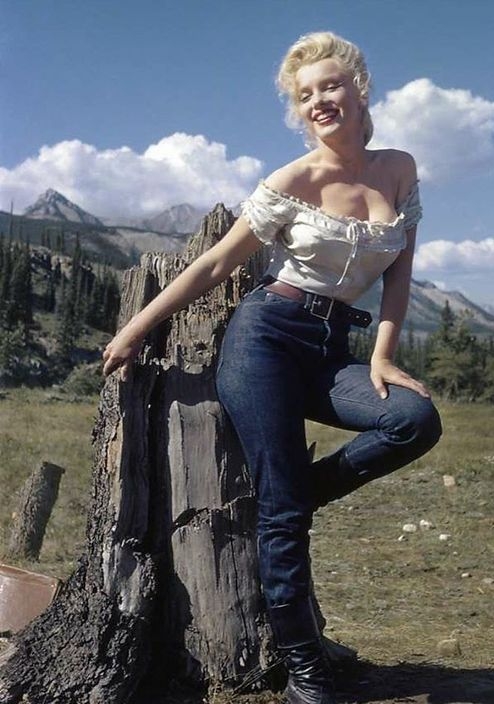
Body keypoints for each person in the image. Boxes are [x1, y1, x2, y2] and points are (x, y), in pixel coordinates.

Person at [103, 31, 442, 704]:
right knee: (283, 519)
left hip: (334, 348)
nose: (319, 101)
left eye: (330, 86)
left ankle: (297, 491)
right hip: (266, 340)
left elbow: (401, 274)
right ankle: (305, 671)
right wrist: (137, 327)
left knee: (414, 419)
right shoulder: (292, 181)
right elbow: (215, 264)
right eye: (305, 95)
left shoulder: (399, 169)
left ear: (359, 90)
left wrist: (382, 355)